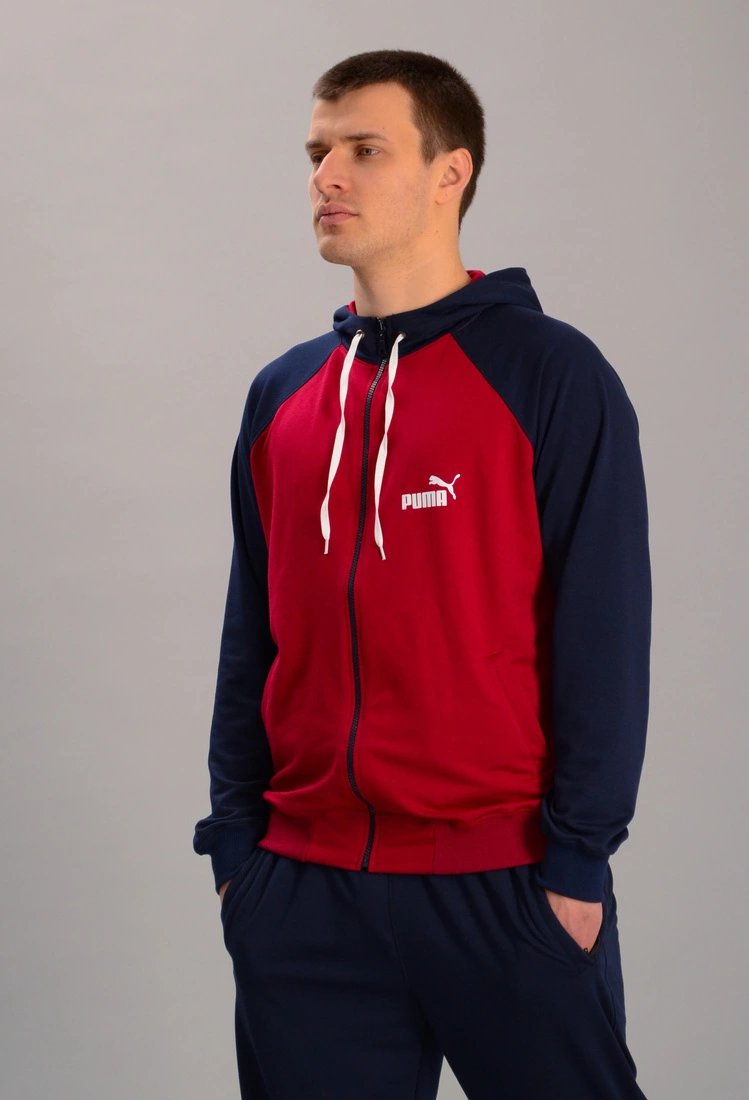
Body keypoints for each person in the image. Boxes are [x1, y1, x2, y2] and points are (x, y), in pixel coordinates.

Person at [193, 48, 652, 1100]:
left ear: (451, 172)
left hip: (505, 884)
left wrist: (575, 865)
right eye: (317, 152)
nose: (326, 176)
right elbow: (251, 635)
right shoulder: (284, 395)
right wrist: (238, 850)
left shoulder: (549, 375)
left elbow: (604, 636)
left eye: (364, 149)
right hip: (302, 893)